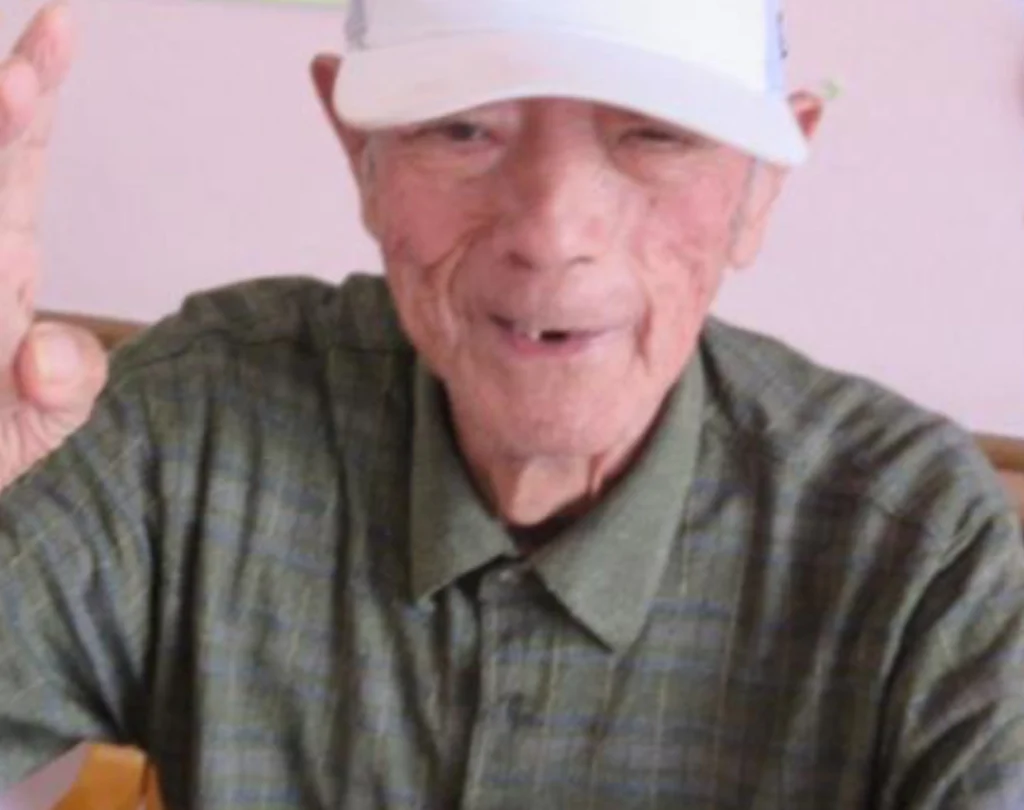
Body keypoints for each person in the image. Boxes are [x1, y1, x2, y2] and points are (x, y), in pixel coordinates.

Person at [1, 0, 1022, 807]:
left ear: (761, 186)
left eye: (654, 135)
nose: (551, 230)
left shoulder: (919, 553)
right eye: (463, 128)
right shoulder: (194, 427)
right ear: (359, 149)